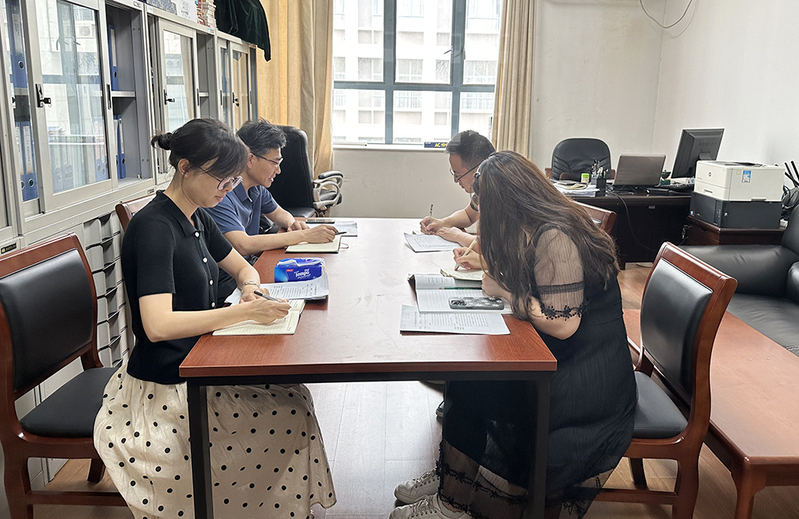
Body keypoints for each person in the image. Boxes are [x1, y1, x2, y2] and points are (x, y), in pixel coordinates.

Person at [94, 118, 336, 519]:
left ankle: (260, 508)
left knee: (294, 395)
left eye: (232, 181)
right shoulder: (154, 228)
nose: (227, 189)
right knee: (289, 412)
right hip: (166, 383)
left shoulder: (197, 215)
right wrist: (243, 312)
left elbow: (243, 266)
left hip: (199, 359)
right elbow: (157, 325)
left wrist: (250, 288)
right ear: (185, 167)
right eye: (221, 180)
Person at [392, 151, 636, 519]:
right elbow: (539, 278)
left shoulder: (556, 236)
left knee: (473, 386)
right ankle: (452, 477)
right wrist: (488, 265)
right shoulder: (542, 223)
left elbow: (564, 323)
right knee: (466, 378)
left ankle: (451, 503)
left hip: (585, 379)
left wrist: (506, 292)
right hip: (566, 357)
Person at [205, 118, 337, 303]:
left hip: (248, 272)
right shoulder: (221, 194)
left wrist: (292, 223)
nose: (279, 170)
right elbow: (243, 245)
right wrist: (305, 236)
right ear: (250, 159)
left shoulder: (256, 189)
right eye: (275, 162)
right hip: (226, 284)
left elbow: (278, 213)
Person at [419, 130, 495, 247]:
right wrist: (442, 223)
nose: (456, 180)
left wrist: (458, 236)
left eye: (458, 175)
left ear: (478, 169)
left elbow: (494, 248)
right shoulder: (483, 187)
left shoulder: (501, 192)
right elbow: (468, 215)